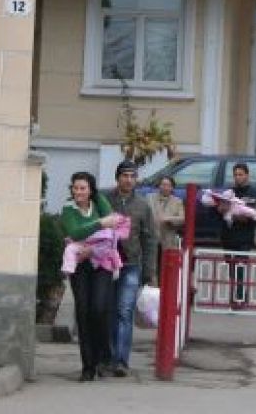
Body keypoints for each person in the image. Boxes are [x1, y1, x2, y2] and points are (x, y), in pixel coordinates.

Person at [60, 171, 122, 382]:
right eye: (75, 188)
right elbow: (75, 232)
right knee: (83, 311)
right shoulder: (68, 208)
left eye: (83, 188)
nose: (78, 192)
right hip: (80, 264)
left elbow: (114, 227)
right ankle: (88, 366)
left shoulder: (100, 201)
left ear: (91, 190)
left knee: (98, 308)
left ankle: (104, 354)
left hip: (101, 262)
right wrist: (99, 223)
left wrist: (92, 248)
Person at [105, 160, 156, 378]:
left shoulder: (143, 205)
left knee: (124, 312)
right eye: (124, 176)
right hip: (106, 265)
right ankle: (106, 357)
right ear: (117, 178)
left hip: (131, 266)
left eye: (132, 176)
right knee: (107, 312)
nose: (128, 180)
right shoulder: (105, 200)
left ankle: (121, 361)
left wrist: (149, 271)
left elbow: (150, 239)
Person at [218, 162, 256, 309]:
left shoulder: (255, 193)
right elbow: (217, 213)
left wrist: (249, 219)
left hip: (245, 236)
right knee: (232, 268)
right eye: (235, 175)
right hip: (228, 235)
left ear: (247, 175)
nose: (237, 177)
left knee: (240, 267)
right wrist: (221, 209)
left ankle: (239, 298)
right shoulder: (229, 193)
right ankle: (236, 295)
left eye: (240, 174)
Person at [149, 176, 185, 282]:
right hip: (152, 239)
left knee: (166, 269)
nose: (165, 187)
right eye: (163, 185)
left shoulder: (177, 201)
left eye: (168, 185)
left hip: (168, 240)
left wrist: (169, 219)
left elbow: (182, 219)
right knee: (152, 268)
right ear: (159, 186)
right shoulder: (149, 198)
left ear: (172, 188)